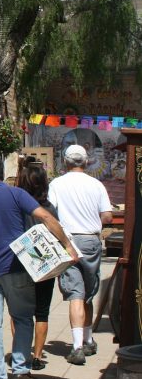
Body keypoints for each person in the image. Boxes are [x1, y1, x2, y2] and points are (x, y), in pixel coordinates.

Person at [0, 158, 78, 379]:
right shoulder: (16, 194)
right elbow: (46, 216)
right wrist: (67, 246)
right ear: (2, 173)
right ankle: (21, 371)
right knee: (23, 318)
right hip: (17, 269)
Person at [48, 144, 113, 365]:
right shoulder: (97, 185)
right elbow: (107, 216)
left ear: (65, 162)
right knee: (88, 292)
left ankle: (77, 346)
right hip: (91, 239)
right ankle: (88, 339)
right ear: (85, 162)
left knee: (75, 293)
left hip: (68, 241)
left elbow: (50, 213)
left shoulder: (56, 184)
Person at [16, 159, 58, 370]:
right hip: (46, 265)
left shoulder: (18, 208)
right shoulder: (49, 208)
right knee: (42, 312)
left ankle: (20, 352)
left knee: (19, 312)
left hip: (21, 264)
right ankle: (38, 355)